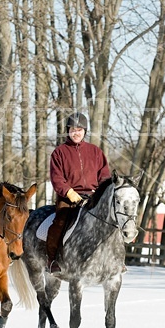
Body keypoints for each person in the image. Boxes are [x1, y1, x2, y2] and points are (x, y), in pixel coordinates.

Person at [47, 112, 111, 273]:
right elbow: (57, 178)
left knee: (111, 220)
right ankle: (53, 259)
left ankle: (114, 258)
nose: (76, 133)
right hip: (68, 198)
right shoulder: (59, 153)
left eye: (80, 130)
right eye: (73, 129)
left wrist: (100, 193)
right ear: (68, 131)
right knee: (59, 223)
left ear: (85, 131)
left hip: (93, 197)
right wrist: (69, 193)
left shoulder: (95, 152)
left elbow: (104, 176)